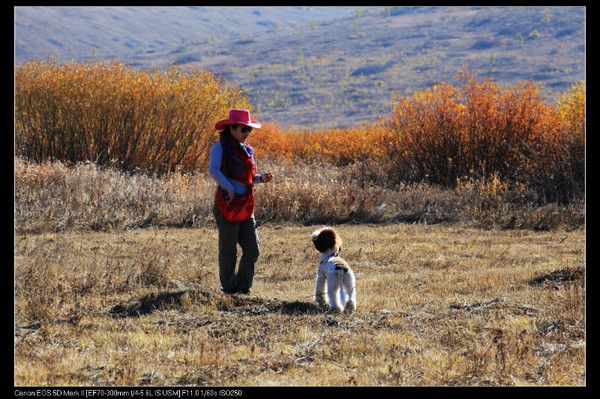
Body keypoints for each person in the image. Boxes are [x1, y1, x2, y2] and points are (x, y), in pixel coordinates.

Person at [208, 109, 273, 295]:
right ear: (232, 128)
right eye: (243, 129)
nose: (247, 133)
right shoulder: (219, 147)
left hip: (246, 205)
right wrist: (229, 188)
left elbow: (249, 179)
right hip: (227, 204)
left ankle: (242, 287)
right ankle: (229, 289)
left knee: (253, 250)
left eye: (249, 130)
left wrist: (261, 179)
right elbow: (214, 170)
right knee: (228, 250)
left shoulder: (247, 151)